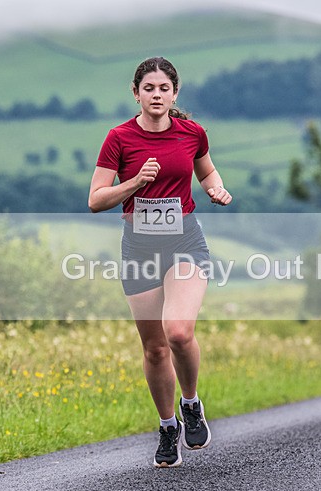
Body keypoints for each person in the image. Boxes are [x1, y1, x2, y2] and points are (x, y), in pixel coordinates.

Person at [88, 57, 232, 468]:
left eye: (163, 88)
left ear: (174, 93)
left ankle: (191, 404)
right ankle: (168, 427)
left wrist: (216, 189)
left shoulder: (192, 133)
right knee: (154, 349)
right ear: (136, 93)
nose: (156, 95)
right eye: (148, 88)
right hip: (139, 249)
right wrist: (135, 182)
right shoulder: (119, 138)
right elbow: (96, 199)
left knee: (179, 333)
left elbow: (208, 173)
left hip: (184, 241)